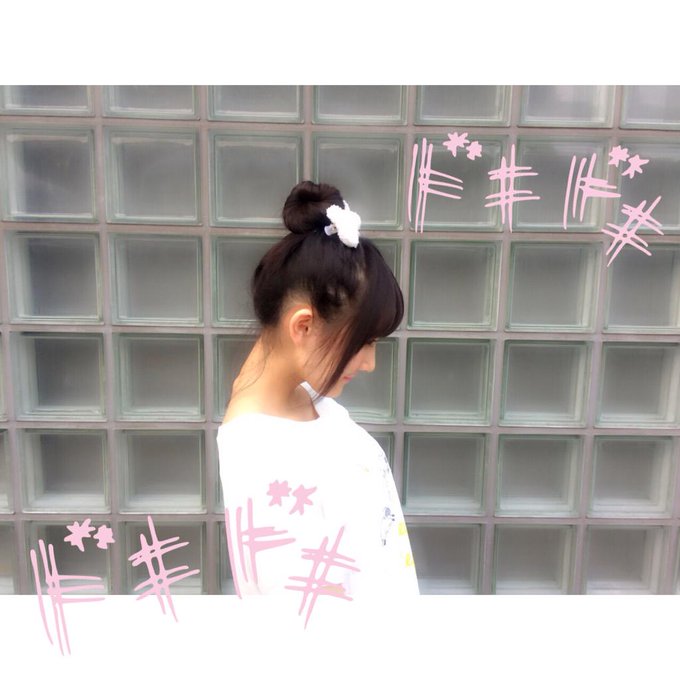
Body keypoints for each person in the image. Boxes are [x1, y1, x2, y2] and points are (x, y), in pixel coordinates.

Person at [217, 180, 418, 626]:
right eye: (364, 342)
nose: (369, 363)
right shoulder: (260, 454)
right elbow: (304, 620)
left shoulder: (301, 400)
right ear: (303, 327)